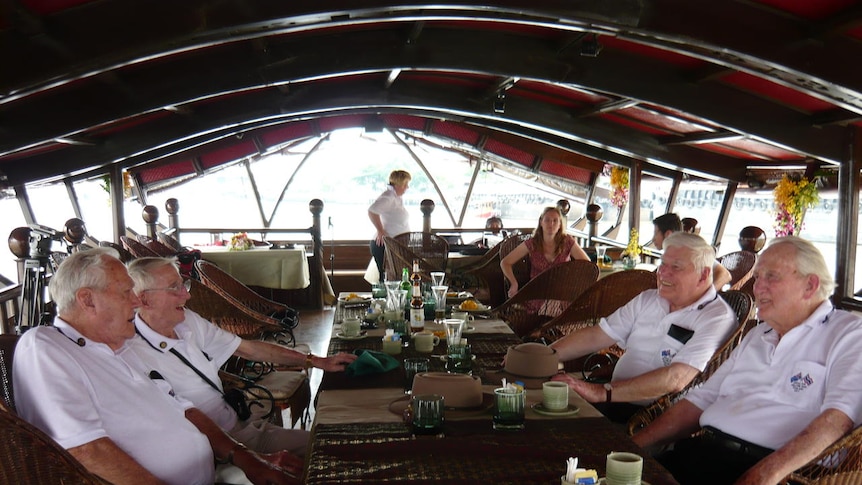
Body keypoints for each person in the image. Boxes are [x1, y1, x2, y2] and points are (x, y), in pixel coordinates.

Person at [13, 248, 299, 485]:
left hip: (214, 473)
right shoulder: (45, 347)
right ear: (88, 300)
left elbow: (183, 408)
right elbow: (85, 450)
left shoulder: (119, 349)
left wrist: (247, 458)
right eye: (126, 292)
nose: (137, 302)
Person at [632, 236, 862, 485]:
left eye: (771, 277)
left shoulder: (850, 334)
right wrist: (630, 448)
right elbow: (701, 399)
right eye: (758, 276)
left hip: (775, 472)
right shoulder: (758, 334)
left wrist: (761, 477)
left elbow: (837, 421)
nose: (757, 287)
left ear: (810, 285)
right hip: (702, 454)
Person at [126, 258, 355, 472]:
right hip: (218, 451)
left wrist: (315, 361)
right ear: (144, 299)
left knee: (338, 443)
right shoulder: (133, 355)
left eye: (183, 284)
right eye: (174, 287)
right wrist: (251, 459)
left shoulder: (187, 321)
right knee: (331, 456)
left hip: (244, 427)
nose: (186, 295)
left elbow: (248, 348)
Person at [549, 232, 737, 423]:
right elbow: (596, 336)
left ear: (703, 274)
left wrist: (600, 392)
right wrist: (543, 356)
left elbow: (676, 379)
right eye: (662, 264)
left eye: (676, 267)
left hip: (650, 417)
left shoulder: (717, 318)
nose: (662, 272)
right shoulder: (649, 299)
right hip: (611, 398)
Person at [500, 206, 590, 298]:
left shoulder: (567, 241)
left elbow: (588, 266)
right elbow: (505, 262)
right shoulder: (532, 243)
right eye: (547, 220)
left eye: (555, 220)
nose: (551, 224)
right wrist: (514, 283)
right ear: (541, 222)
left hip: (562, 294)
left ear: (560, 225)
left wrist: (575, 283)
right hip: (538, 294)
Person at [653, 213, 731, 291]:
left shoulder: (690, 252)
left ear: (668, 234)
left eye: (655, 234)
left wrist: (706, 296)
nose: (653, 239)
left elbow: (725, 275)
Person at [368, 169, 412, 280]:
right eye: (406, 184)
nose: (407, 187)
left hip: (393, 244)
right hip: (385, 244)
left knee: (393, 277)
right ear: (399, 184)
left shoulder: (395, 197)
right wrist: (380, 230)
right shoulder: (388, 197)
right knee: (387, 277)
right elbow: (372, 211)